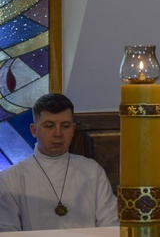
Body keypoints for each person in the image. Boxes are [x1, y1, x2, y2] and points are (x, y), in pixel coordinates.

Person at [0, 93, 118, 231]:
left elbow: (110, 224)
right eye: (49, 126)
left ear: (73, 130)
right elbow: (7, 231)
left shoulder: (92, 171)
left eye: (65, 126)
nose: (58, 133)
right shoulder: (10, 178)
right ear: (34, 130)